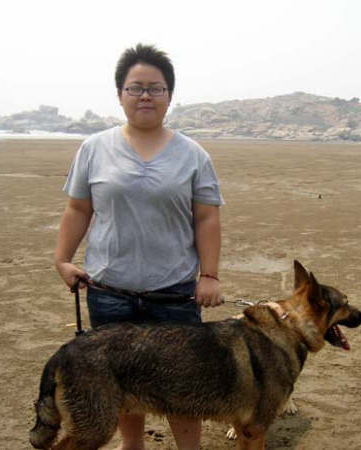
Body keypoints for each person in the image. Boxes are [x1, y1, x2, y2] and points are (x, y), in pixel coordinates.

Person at [54, 43, 224, 450]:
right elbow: (78, 208)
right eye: (135, 88)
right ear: (120, 94)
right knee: (121, 382)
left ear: (169, 95)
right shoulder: (94, 148)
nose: (145, 96)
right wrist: (62, 260)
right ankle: (132, 446)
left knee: (186, 384)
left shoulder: (193, 154)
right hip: (110, 291)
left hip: (173, 293)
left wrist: (209, 275)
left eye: (155, 88)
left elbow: (207, 217)